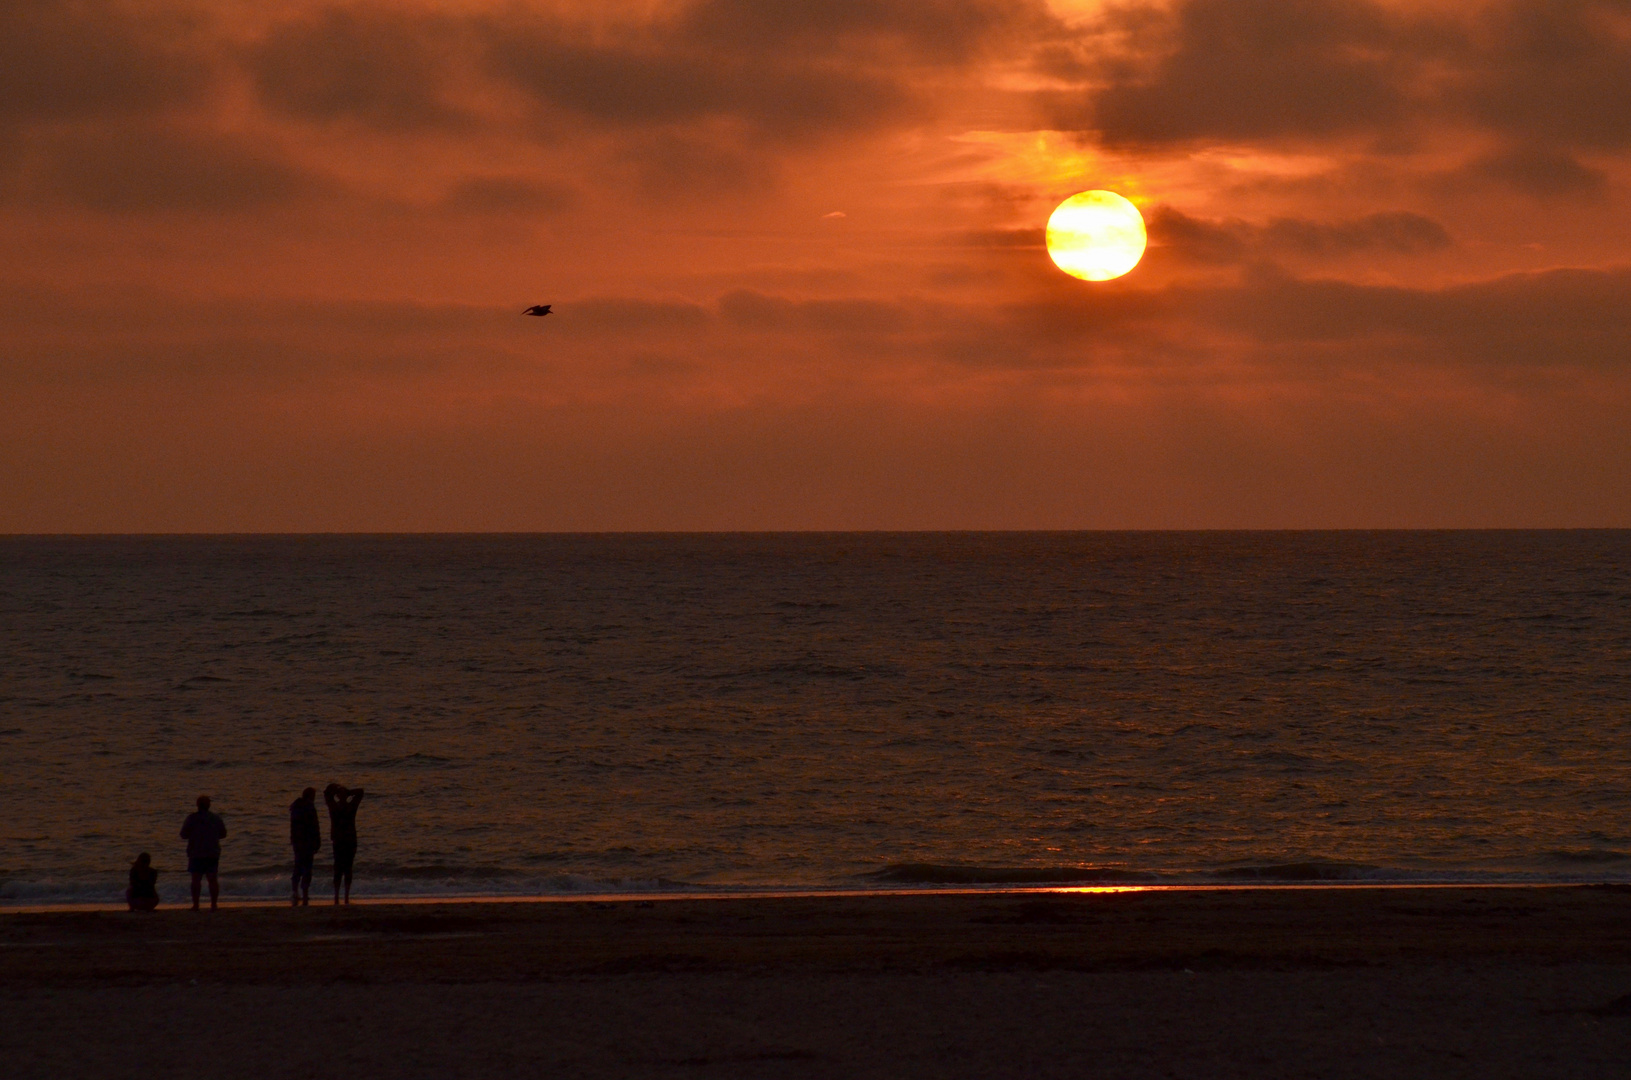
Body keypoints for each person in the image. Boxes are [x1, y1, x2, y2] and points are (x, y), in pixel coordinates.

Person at [179, 795, 228, 911]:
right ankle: (213, 905)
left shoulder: (192, 818)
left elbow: (183, 834)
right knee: (212, 879)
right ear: (209, 805)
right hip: (212, 852)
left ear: (197, 805)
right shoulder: (216, 818)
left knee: (196, 879)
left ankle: (196, 905)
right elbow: (223, 834)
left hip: (196, 853)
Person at [324, 783, 365, 905]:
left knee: (340, 868)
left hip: (341, 840)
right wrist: (348, 791)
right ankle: (343, 896)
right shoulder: (349, 806)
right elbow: (360, 792)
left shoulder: (335, 807)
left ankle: (339, 896)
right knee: (346, 868)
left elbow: (327, 793)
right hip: (347, 840)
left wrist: (337, 789)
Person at [289, 787, 322, 907]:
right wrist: (317, 842)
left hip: (298, 843)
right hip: (307, 843)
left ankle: (294, 891)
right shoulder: (310, 807)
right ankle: (305, 892)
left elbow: (293, 827)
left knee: (298, 867)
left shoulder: (295, 808)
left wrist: (293, 840)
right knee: (307, 869)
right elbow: (315, 826)